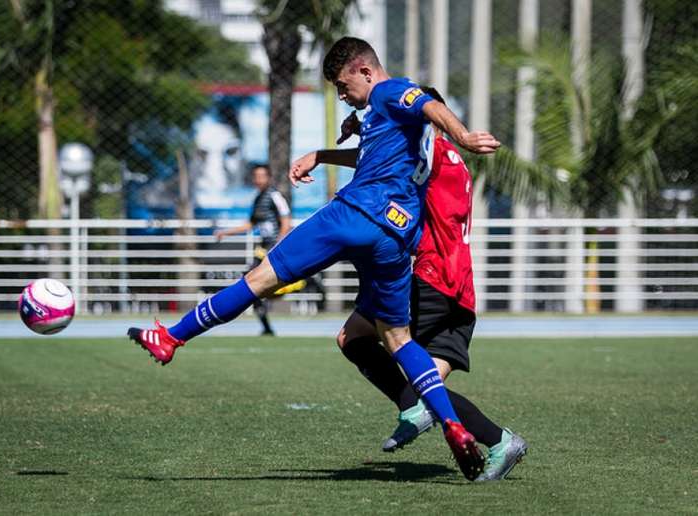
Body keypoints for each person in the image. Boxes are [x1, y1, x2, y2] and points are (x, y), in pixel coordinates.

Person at [128, 37, 500, 481]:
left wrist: (465, 134)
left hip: (355, 213)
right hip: (396, 235)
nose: (343, 96)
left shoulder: (389, 89)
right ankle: (454, 426)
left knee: (259, 280)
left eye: (344, 86)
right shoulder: (404, 128)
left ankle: (172, 338)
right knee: (399, 341)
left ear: (365, 70)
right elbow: (388, 141)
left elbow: (422, 102)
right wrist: (329, 150)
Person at [335, 87, 527, 481]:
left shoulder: (433, 153)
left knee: (358, 340)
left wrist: (358, 130)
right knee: (424, 384)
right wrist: (342, 143)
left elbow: (379, 162)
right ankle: (499, 440)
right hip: (458, 283)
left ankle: (420, 411)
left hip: (433, 276)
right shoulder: (444, 158)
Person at [213, 164, 292, 336]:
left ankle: (306, 283)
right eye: (256, 176)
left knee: (261, 286)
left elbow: (286, 221)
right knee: (248, 284)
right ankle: (266, 327)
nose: (258, 179)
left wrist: (279, 244)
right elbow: (251, 224)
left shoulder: (275, 196)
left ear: (269, 177)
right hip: (262, 248)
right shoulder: (258, 199)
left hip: (274, 248)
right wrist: (226, 232)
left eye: (262, 176)